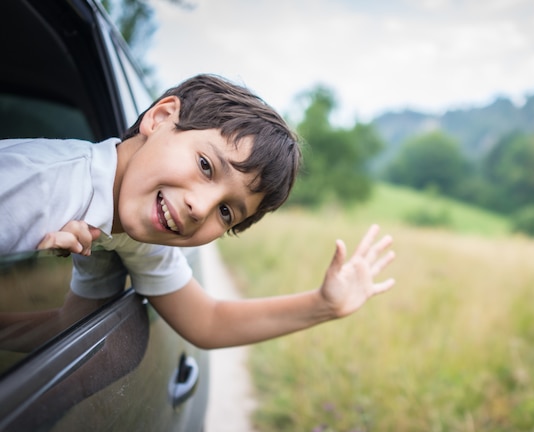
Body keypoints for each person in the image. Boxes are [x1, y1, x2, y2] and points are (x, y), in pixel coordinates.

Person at [0, 74, 395, 349]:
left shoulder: (138, 232)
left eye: (226, 213)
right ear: (159, 119)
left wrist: (322, 305)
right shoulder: (29, 187)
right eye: (206, 166)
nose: (200, 208)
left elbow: (207, 320)